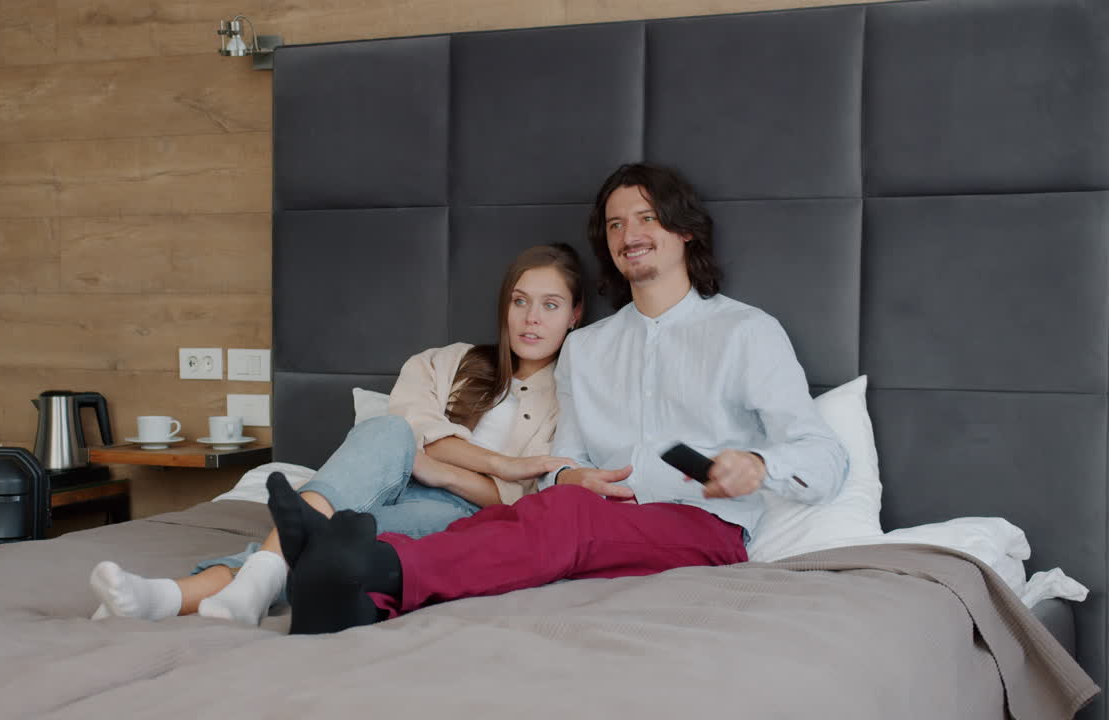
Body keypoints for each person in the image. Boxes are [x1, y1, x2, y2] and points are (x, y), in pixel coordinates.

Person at [265, 162, 849, 634]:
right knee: (537, 513)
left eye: (647, 218)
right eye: (616, 225)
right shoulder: (587, 347)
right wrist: (570, 478)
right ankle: (351, 588)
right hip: (596, 512)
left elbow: (823, 456)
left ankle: (375, 567)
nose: (630, 234)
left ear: (685, 231)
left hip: (705, 525)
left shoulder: (747, 333)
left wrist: (758, 466)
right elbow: (562, 462)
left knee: (564, 520)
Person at [88, 243, 586, 625]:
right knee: (386, 429)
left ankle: (175, 595)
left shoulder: (570, 400)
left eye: (550, 305)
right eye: (520, 301)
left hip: (454, 508)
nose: (532, 319)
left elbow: (517, 500)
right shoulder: (441, 362)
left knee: (336, 541)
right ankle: (254, 580)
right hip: (376, 471)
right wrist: (497, 463)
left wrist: (440, 472)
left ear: (575, 315)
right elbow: (408, 430)